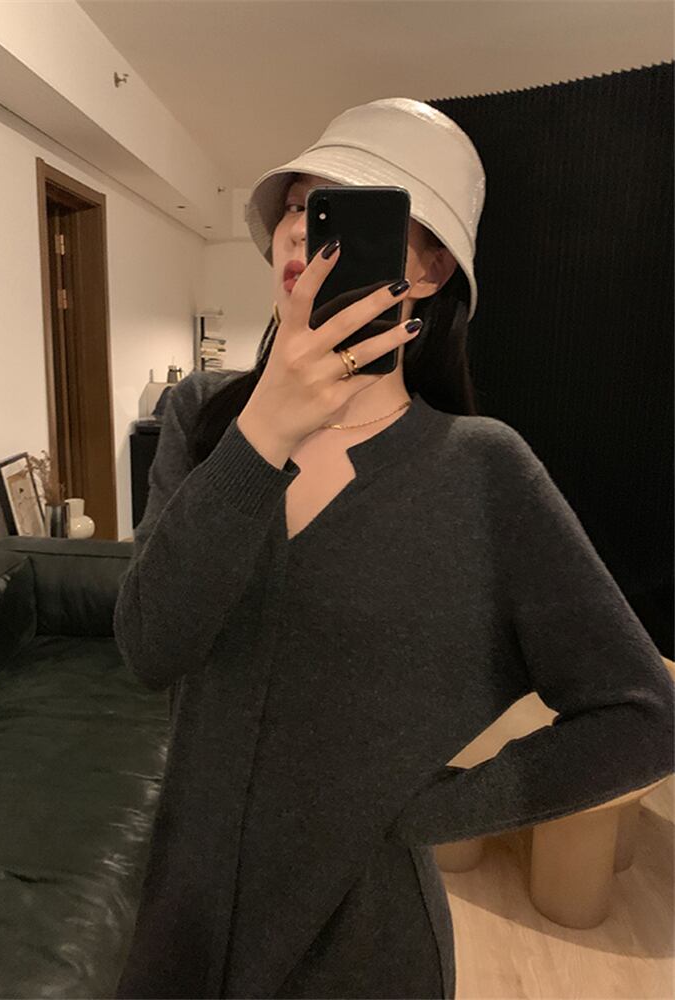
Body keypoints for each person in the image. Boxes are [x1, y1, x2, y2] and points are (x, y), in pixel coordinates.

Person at [113, 99, 674, 999]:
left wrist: (428, 813)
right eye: (296, 206)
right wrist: (262, 434)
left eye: (345, 211)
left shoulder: (480, 470)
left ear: (432, 264)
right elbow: (151, 646)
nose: (303, 230)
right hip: (185, 912)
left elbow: (643, 715)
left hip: (361, 945)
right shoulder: (203, 419)